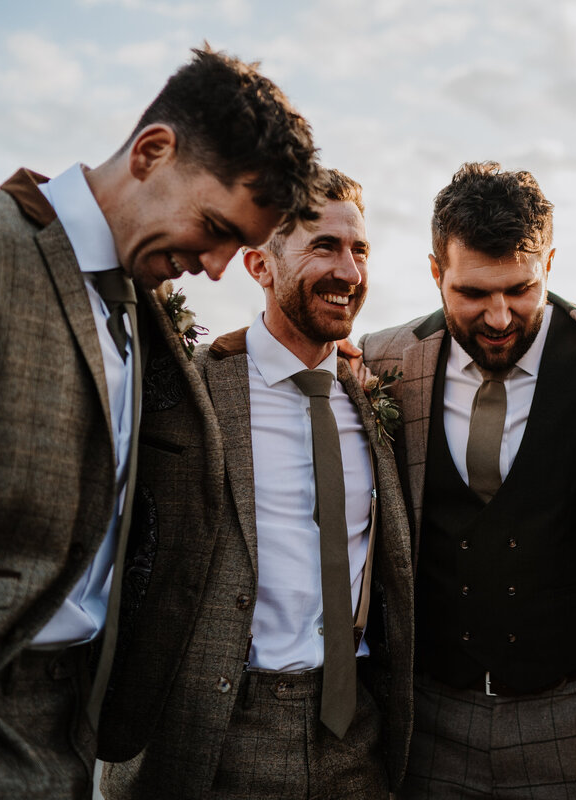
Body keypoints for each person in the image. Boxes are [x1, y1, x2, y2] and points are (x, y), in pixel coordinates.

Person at [0, 45, 320, 799]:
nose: (219, 267)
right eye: (215, 228)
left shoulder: (137, 305)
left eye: (240, 247)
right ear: (153, 151)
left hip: (74, 729)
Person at [358, 161, 576, 800]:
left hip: (571, 717)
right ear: (435, 271)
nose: (501, 317)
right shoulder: (384, 358)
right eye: (474, 293)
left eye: (520, 289)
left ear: (551, 264)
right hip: (428, 713)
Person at [100, 170, 412, 798]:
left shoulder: (374, 391)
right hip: (215, 733)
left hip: (356, 741)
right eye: (323, 247)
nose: (349, 272)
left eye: (359, 250)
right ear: (259, 265)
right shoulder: (190, 394)